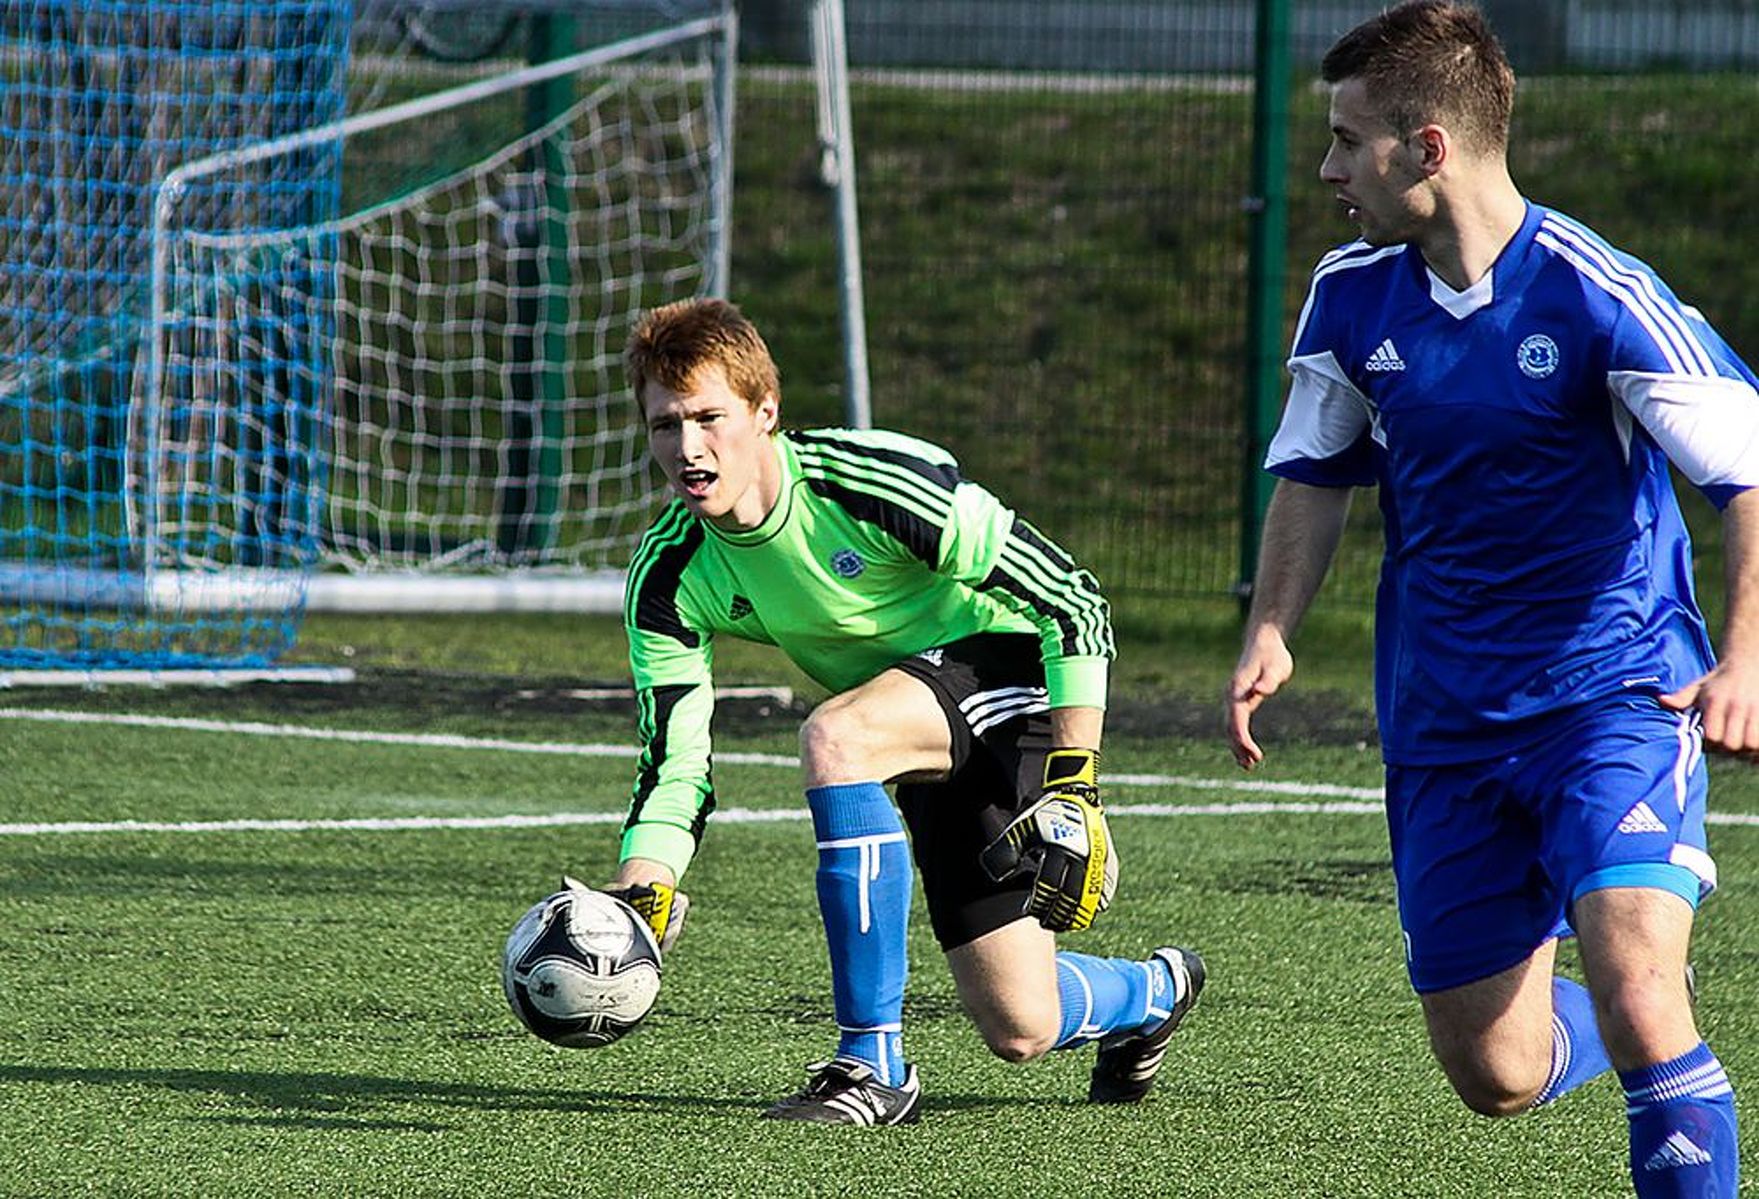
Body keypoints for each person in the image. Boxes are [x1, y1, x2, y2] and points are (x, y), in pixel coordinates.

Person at [1225, 3, 1750, 1194]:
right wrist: (1269, 626)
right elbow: (1313, 470)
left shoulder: (1590, 291)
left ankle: (1646, 1039)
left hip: (1613, 695)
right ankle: (1616, 1034)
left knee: (1634, 981)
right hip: (1444, 721)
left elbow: (1747, 467)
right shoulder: (1352, 294)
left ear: (1428, 148)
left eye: (1347, 141)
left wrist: (1746, 656)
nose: (1324, 168)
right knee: (1497, 1070)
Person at [598, 296, 1204, 1126]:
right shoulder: (668, 572)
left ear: (765, 411)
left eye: (710, 417)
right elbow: (673, 761)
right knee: (1020, 1025)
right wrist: (645, 885)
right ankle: (1155, 990)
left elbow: (1072, 599)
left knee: (835, 736)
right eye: (665, 425)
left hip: (1012, 672)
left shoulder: (868, 483)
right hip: (914, 721)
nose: (689, 448)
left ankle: (871, 1065)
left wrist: (1076, 781)